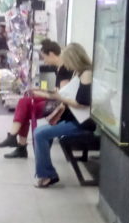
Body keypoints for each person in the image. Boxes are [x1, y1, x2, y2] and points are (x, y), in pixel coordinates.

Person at [29, 43, 96, 188]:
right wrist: (49, 94)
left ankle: (47, 174)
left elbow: (82, 103)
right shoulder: (79, 73)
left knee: (40, 133)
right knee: (41, 132)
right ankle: (46, 172)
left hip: (82, 122)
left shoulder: (86, 74)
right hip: (75, 118)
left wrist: (59, 97)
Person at [0, 39, 70, 158]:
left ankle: (17, 142)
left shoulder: (65, 69)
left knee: (25, 107)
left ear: (51, 54)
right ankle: (15, 140)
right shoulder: (55, 68)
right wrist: (38, 90)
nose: (44, 61)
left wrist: (40, 93)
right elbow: (53, 89)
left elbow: (62, 94)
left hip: (60, 104)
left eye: (44, 57)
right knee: (23, 102)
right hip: (54, 99)